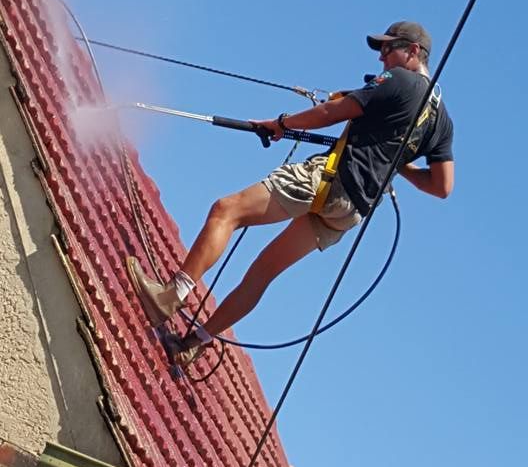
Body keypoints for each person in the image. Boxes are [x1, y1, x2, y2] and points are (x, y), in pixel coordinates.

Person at [127, 21, 454, 366]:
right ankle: (193, 344)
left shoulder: (400, 80)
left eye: (389, 50)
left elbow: (332, 112)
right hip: (350, 212)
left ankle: (170, 296)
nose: (383, 59)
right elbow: (441, 186)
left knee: (227, 210)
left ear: (414, 51)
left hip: (329, 180)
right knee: (263, 272)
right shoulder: (441, 120)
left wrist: (282, 124)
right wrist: (397, 162)